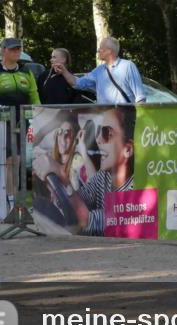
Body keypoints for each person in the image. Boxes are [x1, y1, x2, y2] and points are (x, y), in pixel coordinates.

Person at [0, 37, 41, 205]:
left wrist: (38, 113)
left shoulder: (25, 70)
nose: (16, 52)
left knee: (17, 160)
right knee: (7, 159)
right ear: (3, 51)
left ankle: (13, 199)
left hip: (22, 119)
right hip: (0, 120)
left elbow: (34, 93)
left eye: (18, 49)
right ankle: (7, 199)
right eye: (13, 49)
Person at [67, 106, 136, 236]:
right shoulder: (104, 176)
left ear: (127, 150)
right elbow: (82, 197)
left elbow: (86, 221)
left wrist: (61, 177)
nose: (98, 140)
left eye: (106, 133)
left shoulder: (135, 190)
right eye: (98, 131)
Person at [61, 36, 146, 105]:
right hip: (105, 120)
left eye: (101, 48)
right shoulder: (98, 71)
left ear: (109, 51)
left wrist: (139, 120)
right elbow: (77, 83)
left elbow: (141, 98)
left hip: (126, 121)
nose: (98, 50)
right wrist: (63, 70)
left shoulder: (128, 66)